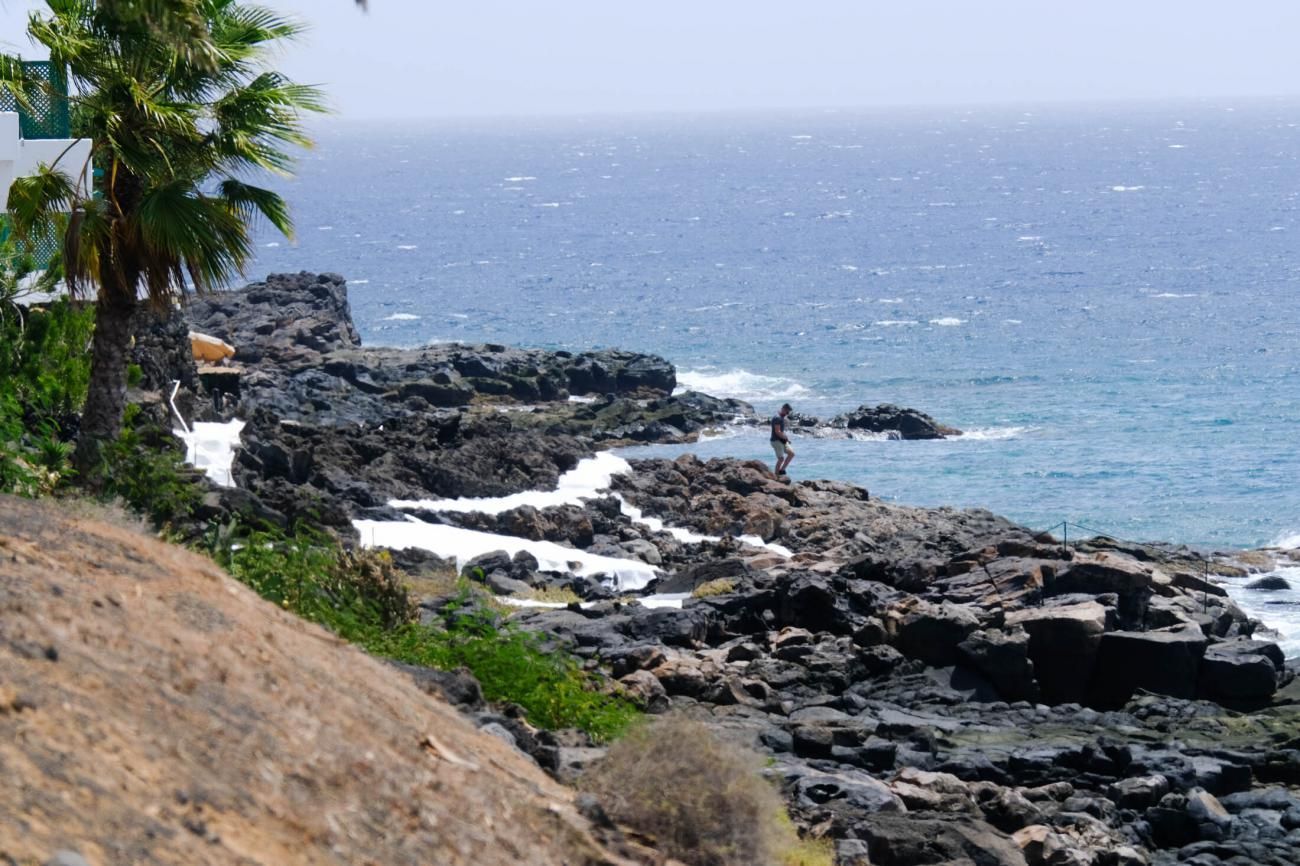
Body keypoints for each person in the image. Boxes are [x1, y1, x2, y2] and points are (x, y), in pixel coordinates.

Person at [770, 403, 795, 476]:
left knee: (791, 454)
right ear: (783, 409)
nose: (787, 413)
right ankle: (776, 475)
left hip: (782, 440)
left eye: (789, 412)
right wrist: (785, 438)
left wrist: (786, 439)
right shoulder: (777, 418)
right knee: (781, 459)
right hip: (776, 441)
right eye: (787, 412)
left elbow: (781, 432)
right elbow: (777, 432)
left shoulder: (781, 417)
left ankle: (782, 470)